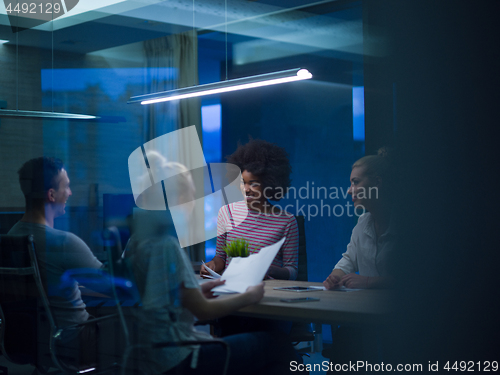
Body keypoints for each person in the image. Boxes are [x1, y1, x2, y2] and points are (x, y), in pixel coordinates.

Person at [124, 159, 300, 375]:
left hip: (149, 352)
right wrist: (250, 297)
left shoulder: (136, 242)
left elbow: (161, 295)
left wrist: (196, 292)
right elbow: (202, 310)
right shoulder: (166, 244)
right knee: (279, 346)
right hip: (176, 355)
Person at [7, 157, 109, 367]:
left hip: (31, 340)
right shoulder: (63, 242)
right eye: (67, 186)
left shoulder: (11, 238)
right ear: (51, 195)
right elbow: (111, 286)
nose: (70, 193)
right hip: (74, 341)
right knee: (132, 331)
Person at [201, 139, 299, 280]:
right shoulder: (226, 212)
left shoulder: (287, 221)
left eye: (253, 184)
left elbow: (292, 271)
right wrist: (212, 265)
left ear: (269, 183)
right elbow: (221, 258)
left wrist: (268, 269)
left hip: (266, 291)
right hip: (231, 290)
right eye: (242, 183)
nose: (246, 189)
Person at [323, 147, 395, 290]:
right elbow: (348, 260)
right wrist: (335, 278)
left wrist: (369, 282)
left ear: (377, 183)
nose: (349, 190)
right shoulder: (363, 223)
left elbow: (417, 278)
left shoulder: (408, 225)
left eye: (355, 182)